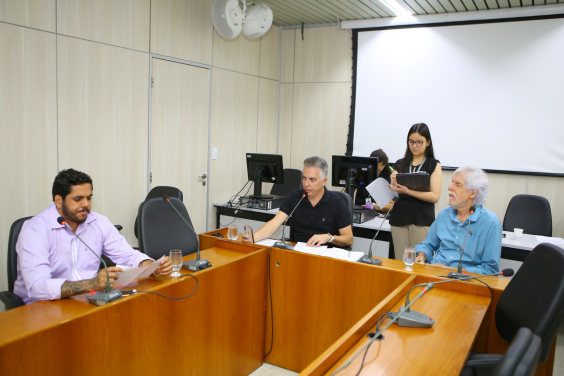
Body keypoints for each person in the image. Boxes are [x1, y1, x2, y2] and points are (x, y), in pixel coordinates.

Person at [14, 169, 172, 304]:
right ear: (58, 200)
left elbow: (127, 254)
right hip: (43, 307)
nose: (86, 205)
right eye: (78, 199)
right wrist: (91, 284)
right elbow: (37, 288)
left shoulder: (98, 222)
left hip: (89, 300)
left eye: (89, 198)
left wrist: (151, 266)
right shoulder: (35, 230)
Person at [243, 156, 353, 248]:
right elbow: (274, 223)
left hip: (324, 255)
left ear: (324, 181)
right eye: (304, 178)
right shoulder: (295, 196)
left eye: (312, 180)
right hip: (298, 251)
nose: (306, 184)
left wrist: (329, 237)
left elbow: (348, 239)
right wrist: (253, 238)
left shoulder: (337, 202)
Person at [415, 167, 501, 274]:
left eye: (458, 184)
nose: (450, 187)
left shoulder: (490, 223)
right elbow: (427, 245)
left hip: (467, 281)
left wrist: (449, 270)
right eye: (452, 182)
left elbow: (490, 269)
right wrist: (421, 256)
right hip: (434, 273)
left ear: (473, 193)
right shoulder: (444, 215)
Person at [389, 123, 442, 261]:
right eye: (411, 142)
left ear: (428, 142)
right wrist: (393, 182)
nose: (414, 146)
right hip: (399, 218)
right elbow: (393, 194)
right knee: (400, 262)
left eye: (419, 142)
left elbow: (435, 196)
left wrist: (408, 191)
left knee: (418, 262)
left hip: (422, 220)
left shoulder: (433, 165)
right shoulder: (400, 164)